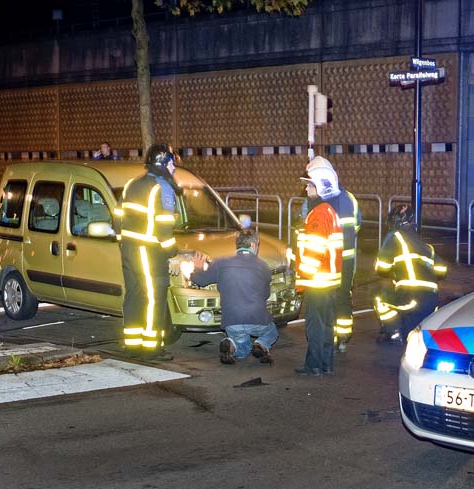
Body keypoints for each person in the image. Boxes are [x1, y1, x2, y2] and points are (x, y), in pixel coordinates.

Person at [114, 144, 178, 360]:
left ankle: (133, 345)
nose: (174, 168)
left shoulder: (132, 184)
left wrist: (122, 240)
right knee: (154, 297)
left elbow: (117, 215)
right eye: (172, 163)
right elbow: (164, 225)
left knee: (134, 296)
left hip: (129, 250)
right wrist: (172, 251)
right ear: (163, 164)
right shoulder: (162, 187)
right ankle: (151, 349)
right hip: (149, 251)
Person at [189, 229, 277, 365]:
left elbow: (200, 280)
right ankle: (261, 344)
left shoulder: (221, 263)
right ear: (254, 245)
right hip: (258, 319)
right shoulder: (263, 266)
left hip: (231, 320)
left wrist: (198, 268)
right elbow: (265, 295)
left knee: (242, 350)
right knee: (271, 332)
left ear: (237, 244)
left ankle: (231, 344)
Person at [304, 157, 362, 354]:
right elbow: (357, 225)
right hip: (348, 259)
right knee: (344, 296)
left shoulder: (316, 202)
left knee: (325, 300)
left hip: (326, 260)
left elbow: (306, 226)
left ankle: (324, 344)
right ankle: (343, 337)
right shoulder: (349, 198)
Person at [293, 164, 344, 376]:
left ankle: (313, 365)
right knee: (327, 325)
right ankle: (326, 364)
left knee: (315, 326)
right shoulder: (330, 212)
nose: (306, 189)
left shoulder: (319, 214)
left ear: (320, 187)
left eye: (309, 186)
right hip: (329, 281)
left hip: (317, 281)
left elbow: (314, 249)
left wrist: (303, 275)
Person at [373, 204, 447, 344]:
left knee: (377, 295)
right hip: (431, 302)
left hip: (411, 297)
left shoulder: (395, 237)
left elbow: (381, 268)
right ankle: (406, 330)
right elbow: (442, 270)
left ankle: (394, 333)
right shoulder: (425, 246)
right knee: (410, 330)